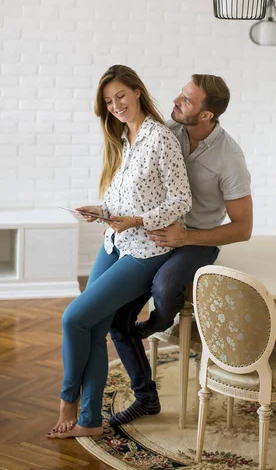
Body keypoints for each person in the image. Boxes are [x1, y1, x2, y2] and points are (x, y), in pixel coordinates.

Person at [47, 65, 192, 439]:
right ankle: (91, 420)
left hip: (146, 249)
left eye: (121, 96)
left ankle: (68, 399)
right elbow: (123, 200)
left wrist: (138, 221)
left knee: (72, 318)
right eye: (109, 102)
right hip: (115, 241)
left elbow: (181, 200)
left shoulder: (161, 139)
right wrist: (102, 211)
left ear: (137, 92)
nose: (116, 105)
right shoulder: (123, 139)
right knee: (91, 325)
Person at [109, 74, 252, 426]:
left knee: (164, 286)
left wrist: (184, 239)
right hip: (153, 232)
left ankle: (158, 323)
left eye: (187, 101)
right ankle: (146, 397)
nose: (176, 101)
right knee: (115, 318)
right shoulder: (166, 132)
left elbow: (242, 228)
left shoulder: (229, 157)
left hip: (196, 239)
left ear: (207, 115)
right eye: (181, 94)